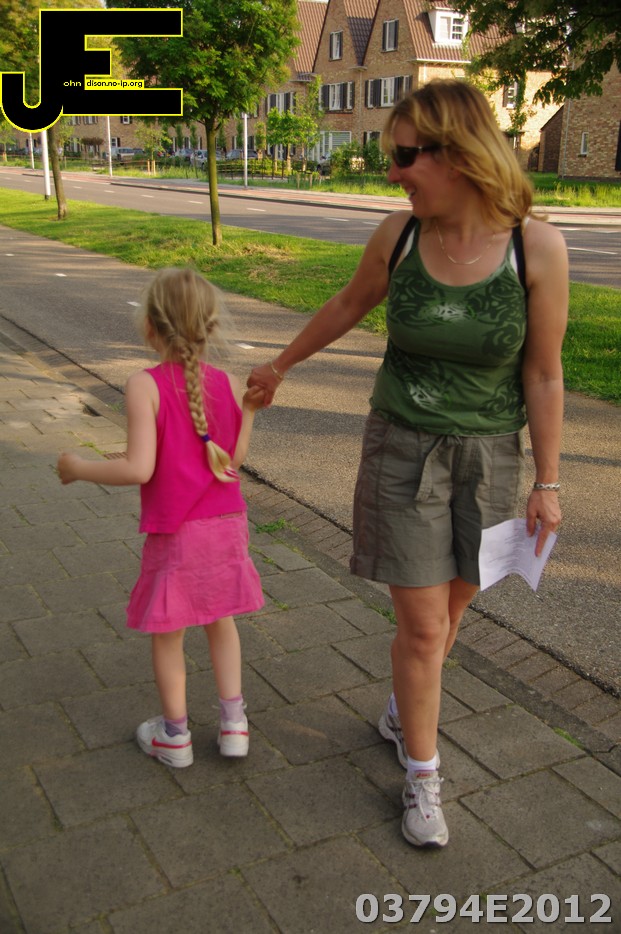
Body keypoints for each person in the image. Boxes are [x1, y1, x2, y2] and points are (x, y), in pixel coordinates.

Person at [248, 79, 568, 847]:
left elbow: (543, 373)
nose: (391, 172)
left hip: (489, 459)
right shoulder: (398, 236)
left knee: (452, 612)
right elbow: (347, 303)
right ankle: (423, 774)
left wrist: (548, 481)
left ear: (455, 155)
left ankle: (403, 709)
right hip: (401, 449)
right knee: (423, 629)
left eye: (402, 156)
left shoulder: (535, 248)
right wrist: (281, 364)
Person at [58, 267, 266, 768]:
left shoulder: (144, 385)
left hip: (178, 534)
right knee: (220, 622)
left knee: (169, 634)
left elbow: (139, 469)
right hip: (227, 526)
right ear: (209, 327)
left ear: (150, 326)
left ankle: (175, 736)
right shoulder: (226, 381)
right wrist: (249, 412)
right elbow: (230, 462)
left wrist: (78, 468)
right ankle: (234, 726)